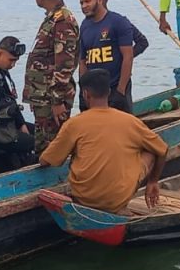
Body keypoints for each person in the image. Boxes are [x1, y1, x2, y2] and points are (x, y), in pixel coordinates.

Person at [39, 69, 167, 214]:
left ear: (86, 94)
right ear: (109, 92)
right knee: (151, 151)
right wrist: (153, 181)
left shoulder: (74, 124)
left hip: (84, 199)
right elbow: (162, 149)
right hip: (116, 200)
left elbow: (45, 161)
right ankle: (121, 205)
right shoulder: (130, 121)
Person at [23, 0, 79, 153]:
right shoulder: (52, 18)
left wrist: (56, 100)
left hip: (51, 98)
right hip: (42, 96)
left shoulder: (62, 21)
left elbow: (64, 64)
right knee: (43, 145)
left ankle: (59, 179)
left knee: (52, 147)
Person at [77, 0, 135, 112]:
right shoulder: (85, 26)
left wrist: (121, 90)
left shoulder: (118, 22)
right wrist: (83, 90)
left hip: (115, 87)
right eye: (81, 3)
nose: (84, 6)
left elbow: (128, 57)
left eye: (87, 1)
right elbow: (82, 61)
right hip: (93, 92)